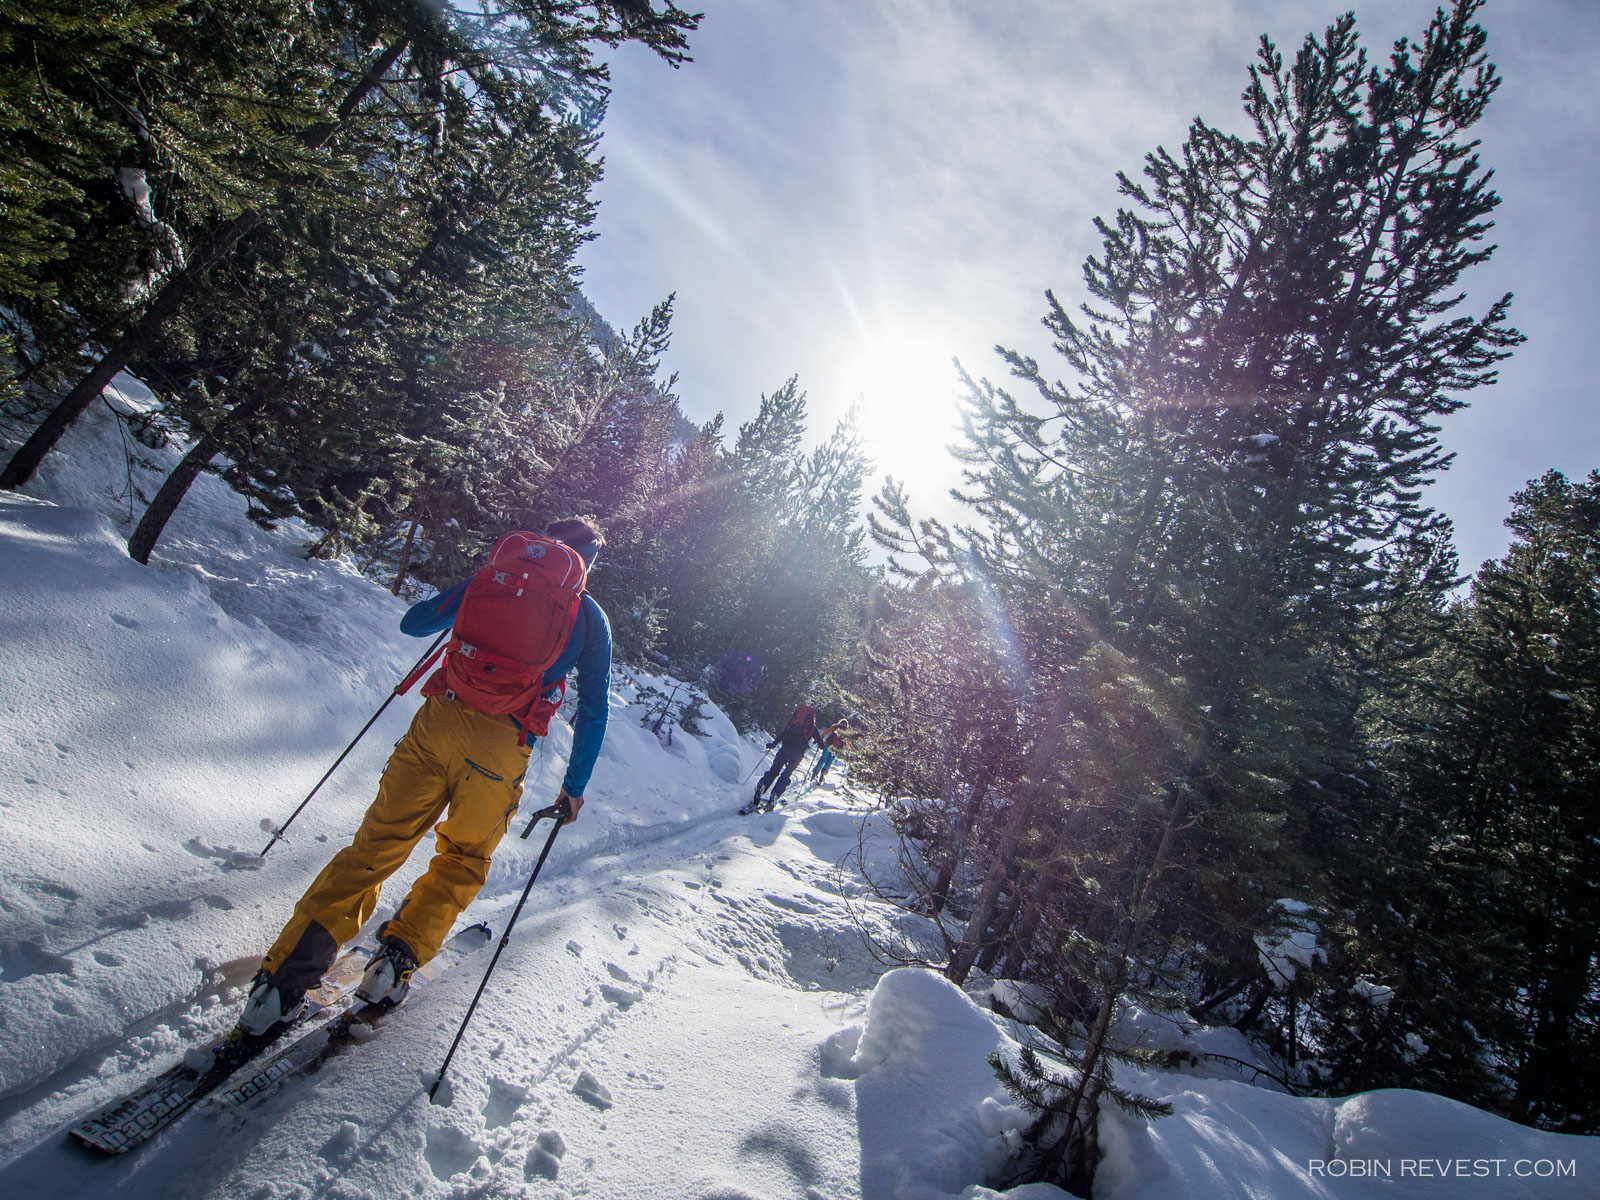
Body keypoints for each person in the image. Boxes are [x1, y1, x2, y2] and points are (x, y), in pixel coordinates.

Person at [238, 518, 612, 1035]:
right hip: (500, 749)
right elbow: (594, 708)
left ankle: (277, 988)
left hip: (436, 721)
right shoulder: (588, 616)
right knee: (463, 856)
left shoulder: (496, 579)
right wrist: (573, 789)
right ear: (588, 562)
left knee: (375, 848)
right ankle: (393, 965)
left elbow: (414, 624)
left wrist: (477, 602)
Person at [749, 703, 826, 811]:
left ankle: (762, 786)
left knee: (774, 770)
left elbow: (782, 734)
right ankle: (775, 795)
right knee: (785, 775)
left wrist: (773, 745)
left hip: (785, 748)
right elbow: (821, 744)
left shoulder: (793, 722)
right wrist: (823, 745)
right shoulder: (812, 727)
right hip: (797, 753)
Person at [809, 719, 850, 785]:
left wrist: (821, 736)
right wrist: (848, 749)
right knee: (830, 760)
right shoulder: (846, 732)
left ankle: (815, 773)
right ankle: (824, 771)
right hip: (837, 749)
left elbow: (826, 732)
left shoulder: (835, 726)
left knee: (823, 758)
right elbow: (848, 744)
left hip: (829, 744)